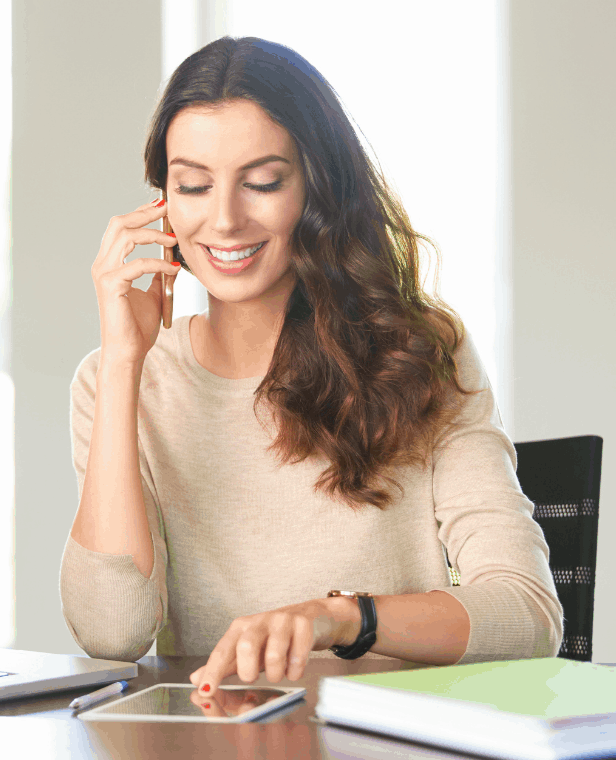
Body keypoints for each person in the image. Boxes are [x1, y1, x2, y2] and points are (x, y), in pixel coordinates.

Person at [62, 37, 561, 692]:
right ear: (162, 204)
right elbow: (111, 631)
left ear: (317, 189)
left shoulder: (422, 355)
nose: (225, 219)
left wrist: (338, 619)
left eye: (263, 182)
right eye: (193, 185)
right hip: (218, 741)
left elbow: (527, 613)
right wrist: (127, 361)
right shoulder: (114, 381)